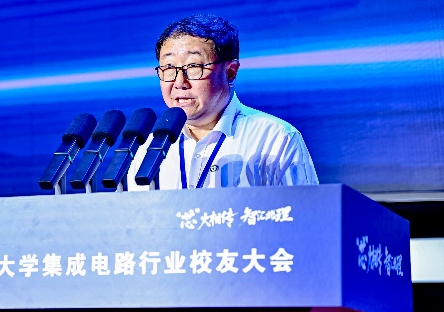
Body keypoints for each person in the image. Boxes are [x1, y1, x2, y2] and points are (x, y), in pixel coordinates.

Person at [127, 14, 318, 190]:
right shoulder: (146, 151)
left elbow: (306, 212)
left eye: (193, 66)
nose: (179, 82)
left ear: (230, 72)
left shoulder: (274, 138)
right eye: (168, 68)